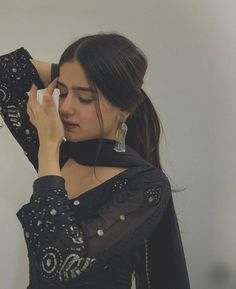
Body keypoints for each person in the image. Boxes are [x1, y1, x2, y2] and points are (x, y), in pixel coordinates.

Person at [0, 33, 191, 289]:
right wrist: (78, 72)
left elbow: (59, 262)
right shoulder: (67, 157)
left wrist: (47, 148)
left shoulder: (146, 186)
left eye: (85, 98)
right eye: (62, 92)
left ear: (125, 108)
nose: (65, 107)